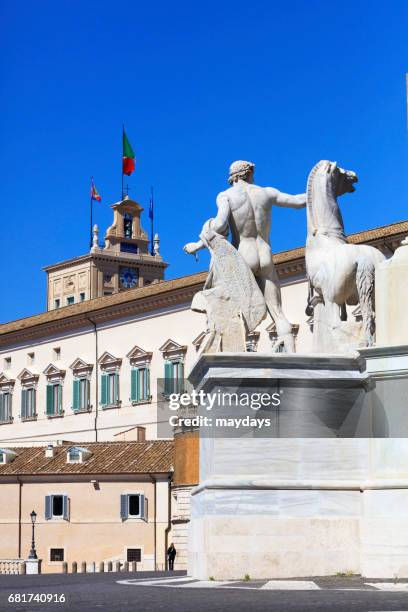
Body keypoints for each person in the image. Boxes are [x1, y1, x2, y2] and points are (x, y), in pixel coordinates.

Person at [183, 160, 306, 352]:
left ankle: (229, 350)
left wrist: (198, 243)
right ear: (249, 173)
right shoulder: (266, 193)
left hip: (243, 255)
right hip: (265, 254)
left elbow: (220, 225)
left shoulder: (226, 196)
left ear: (232, 177)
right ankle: (292, 355)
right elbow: (298, 201)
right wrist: (322, 190)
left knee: (232, 310)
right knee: (277, 312)